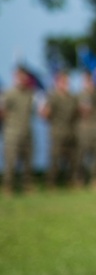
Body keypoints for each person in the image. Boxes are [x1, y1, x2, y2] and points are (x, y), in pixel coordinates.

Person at [1, 65, 38, 195]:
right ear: (15, 77)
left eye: (24, 76)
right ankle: (8, 187)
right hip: (12, 133)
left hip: (27, 132)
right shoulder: (8, 93)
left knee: (28, 162)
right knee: (10, 162)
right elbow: (2, 112)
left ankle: (27, 186)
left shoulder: (30, 94)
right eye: (19, 76)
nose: (22, 78)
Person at [41, 69, 80, 188]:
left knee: (73, 159)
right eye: (62, 81)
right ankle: (51, 183)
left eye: (66, 81)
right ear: (57, 82)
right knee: (55, 159)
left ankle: (72, 181)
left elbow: (76, 113)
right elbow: (45, 113)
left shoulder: (72, 98)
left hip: (70, 132)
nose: (65, 84)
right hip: (57, 133)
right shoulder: (52, 97)